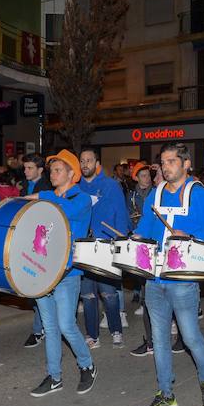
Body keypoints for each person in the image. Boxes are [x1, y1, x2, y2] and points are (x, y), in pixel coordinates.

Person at [133, 142, 204, 406]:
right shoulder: (156, 193)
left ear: (186, 164)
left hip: (184, 280)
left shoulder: (200, 196)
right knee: (160, 340)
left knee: (190, 337)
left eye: (172, 161)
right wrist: (134, 238)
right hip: (155, 277)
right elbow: (145, 227)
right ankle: (166, 394)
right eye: (163, 162)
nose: (166, 167)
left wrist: (190, 234)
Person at [25, 149, 97, 397]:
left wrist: (41, 197)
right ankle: (54, 376)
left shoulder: (82, 199)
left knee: (66, 325)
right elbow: (26, 202)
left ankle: (86, 364)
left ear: (71, 174)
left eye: (57, 170)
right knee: (50, 327)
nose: (52, 174)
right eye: (51, 170)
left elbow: (61, 211)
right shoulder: (48, 196)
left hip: (68, 272)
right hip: (43, 270)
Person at [78, 148, 130, 348]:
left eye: (89, 160)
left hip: (107, 244)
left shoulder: (111, 185)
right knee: (88, 295)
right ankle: (93, 335)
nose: (85, 164)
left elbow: (121, 214)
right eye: (82, 161)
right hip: (84, 247)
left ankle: (116, 330)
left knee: (108, 293)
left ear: (97, 163)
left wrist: (120, 240)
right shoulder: (76, 188)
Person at [20, 153, 54, 348]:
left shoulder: (46, 188)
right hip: (28, 239)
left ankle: (40, 329)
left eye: (30, 168)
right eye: (25, 168)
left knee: (40, 287)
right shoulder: (25, 186)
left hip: (42, 242)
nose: (26, 171)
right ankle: (42, 327)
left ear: (40, 170)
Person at [128, 161, 157, 357]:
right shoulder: (132, 195)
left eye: (150, 175)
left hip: (155, 243)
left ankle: (156, 340)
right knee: (149, 292)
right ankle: (152, 341)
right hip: (141, 239)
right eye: (144, 176)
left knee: (158, 297)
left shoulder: (155, 193)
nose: (148, 179)